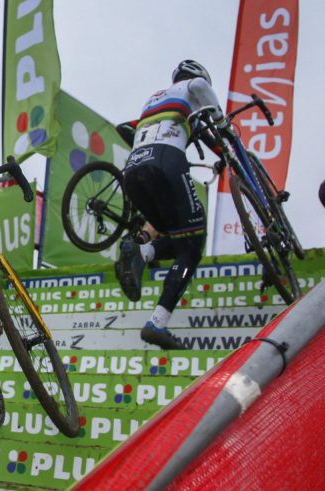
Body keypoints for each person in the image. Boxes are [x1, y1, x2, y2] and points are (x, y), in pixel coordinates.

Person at [114, 60, 230, 351]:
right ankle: (157, 323)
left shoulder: (154, 97)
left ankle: (142, 249)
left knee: (174, 234)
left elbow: (125, 128)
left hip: (133, 171)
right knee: (193, 246)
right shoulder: (188, 88)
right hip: (166, 163)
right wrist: (223, 123)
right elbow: (201, 89)